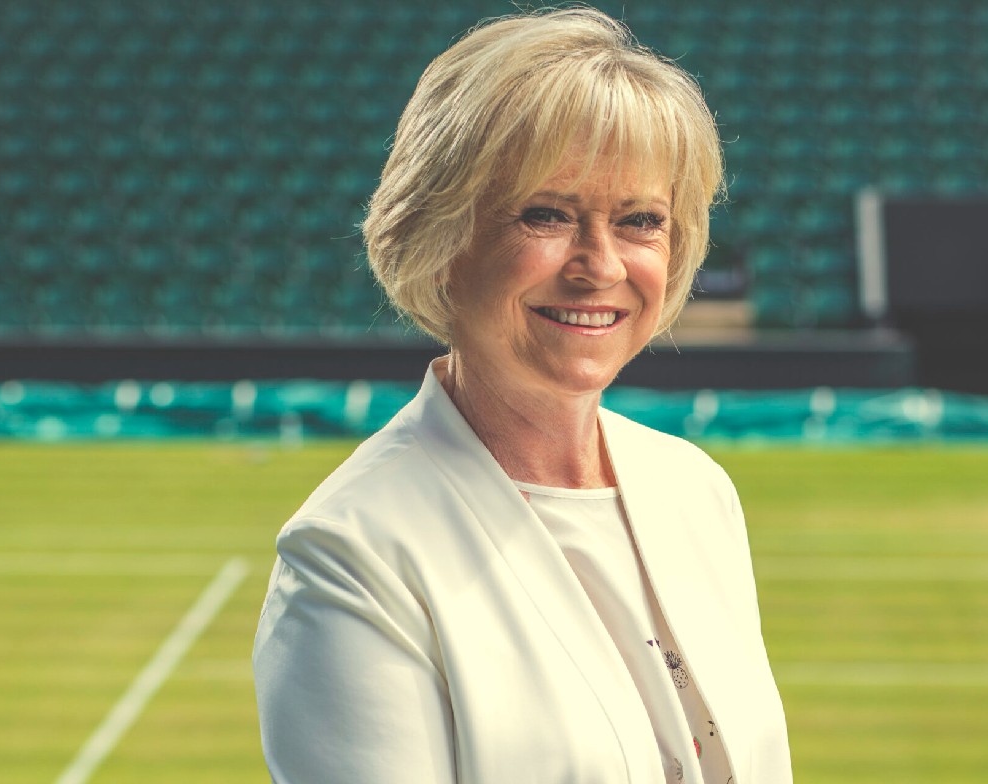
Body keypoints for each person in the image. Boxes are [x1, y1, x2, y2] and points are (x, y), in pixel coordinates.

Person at [252, 8, 793, 784]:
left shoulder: (696, 490)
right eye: (547, 215)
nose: (600, 265)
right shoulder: (353, 553)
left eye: (640, 220)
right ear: (440, 239)